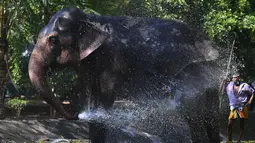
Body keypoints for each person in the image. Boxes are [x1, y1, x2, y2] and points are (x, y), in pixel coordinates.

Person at [225, 73, 254, 143]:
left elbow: (253, 92)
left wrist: (250, 101)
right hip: (233, 106)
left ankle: (238, 140)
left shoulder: (245, 85)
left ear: (239, 78)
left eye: (236, 77)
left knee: (241, 124)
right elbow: (221, 90)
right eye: (234, 77)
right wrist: (223, 81)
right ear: (232, 78)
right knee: (230, 123)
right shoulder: (229, 85)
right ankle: (229, 140)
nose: (235, 79)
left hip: (242, 106)